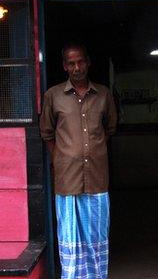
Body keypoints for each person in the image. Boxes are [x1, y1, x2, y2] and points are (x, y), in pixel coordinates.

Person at [40, 42, 117, 279]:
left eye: (80, 61)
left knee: (96, 236)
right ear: (64, 66)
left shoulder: (103, 94)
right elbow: (47, 133)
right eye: (71, 63)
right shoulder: (53, 95)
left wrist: (91, 150)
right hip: (67, 179)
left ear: (88, 62)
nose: (77, 67)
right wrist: (61, 159)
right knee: (70, 238)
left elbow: (110, 128)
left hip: (96, 178)